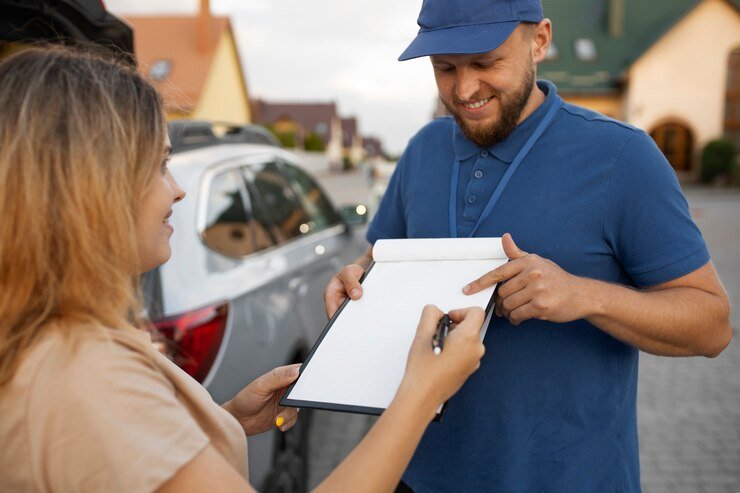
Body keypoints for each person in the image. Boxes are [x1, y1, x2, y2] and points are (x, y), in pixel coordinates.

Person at [0, 46, 488, 493]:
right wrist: (420, 394)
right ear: (90, 191)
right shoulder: (88, 374)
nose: (176, 190)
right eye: (157, 165)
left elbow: (127, 460)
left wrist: (228, 420)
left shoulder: (47, 344)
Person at [323, 0, 733, 491]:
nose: (464, 89)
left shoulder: (623, 157)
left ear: (540, 40)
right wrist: (356, 276)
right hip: (415, 476)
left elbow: (712, 326)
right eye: (444, 68)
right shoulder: (421, 150)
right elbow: (376, 259)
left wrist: (585, 295)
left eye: (486, 63)